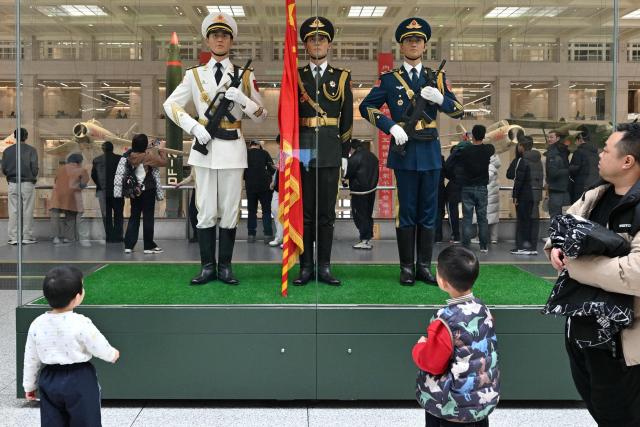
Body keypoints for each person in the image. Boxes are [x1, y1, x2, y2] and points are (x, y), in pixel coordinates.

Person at [164, 12, 267, 286]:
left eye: (224, 35)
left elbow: (261, 114)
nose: (219, 39)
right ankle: (208, 268)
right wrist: (193, 127)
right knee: (206, 210)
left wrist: (243, 99)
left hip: (233, 149)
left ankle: (226, 268)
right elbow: (170, 105)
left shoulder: (244, 76)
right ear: (208, 40)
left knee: (230, 211)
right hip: (205, 149)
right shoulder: (194, 75)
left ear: (231, 40)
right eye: (214, 35)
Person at [547, 123, 640, 426]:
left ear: (628, 161)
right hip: (582, 332)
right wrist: (555, 249)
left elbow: (634, 272)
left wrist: (573, 265)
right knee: (600, 410)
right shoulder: (595, 196)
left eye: (607, 149)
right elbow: (560, 231)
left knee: (621, 416)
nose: (599, 154)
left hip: (623, 342)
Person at [359, 17, 464, 285]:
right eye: (409, 40)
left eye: (418, 40)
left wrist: (440, 98)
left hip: (429, 151)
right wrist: (391, 127)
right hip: (404, 151)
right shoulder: (390, 80)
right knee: (406, 211)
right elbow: (366, 108)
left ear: (424, 45)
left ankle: (424, 267)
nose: (414, 44)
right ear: (401, 46)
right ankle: (406, 267)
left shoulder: (435, 77)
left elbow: (458, 110)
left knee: (429, 212)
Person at [293, 16, 353, 286]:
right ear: (305, 45)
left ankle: (325, 266)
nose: (317, 43)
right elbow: (287, 117)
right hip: (302, 151)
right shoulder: (296, 76)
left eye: (321, 39)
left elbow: (348, 117)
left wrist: (344, 153)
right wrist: (286, 158)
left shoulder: (341, 77)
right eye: (311, 39)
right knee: (304, 212)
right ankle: (306, 266)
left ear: (329, 44)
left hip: (330, 148)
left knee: (327, 213)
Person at [412, 245, 500, 426]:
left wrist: (420, 347)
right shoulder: (483, 309)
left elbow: (433, 364)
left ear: (443, 282)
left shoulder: (445, 320)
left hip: (450, 409)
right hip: (479, 405)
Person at [23, 266, 119, 426]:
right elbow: (97, 344)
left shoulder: (37, 324)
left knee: (52, 421)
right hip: (79, 378)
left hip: (49, 379)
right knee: (86, 420)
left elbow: (31, 358)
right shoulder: (81, 322)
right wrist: (112, 354)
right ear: (77, 297)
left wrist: (29, 385)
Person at [114, 134, 167, 254]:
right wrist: (161, 149)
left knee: (134, 216)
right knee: (148, 217)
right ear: (144, 146)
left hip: (134, 191)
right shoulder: (147, 157)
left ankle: (129, 245)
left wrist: (148, 145)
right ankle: (148, 246)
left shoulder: (129, 156)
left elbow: (137, 149)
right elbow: (164, 162)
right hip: (147, 190)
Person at [458, 125, 495, 252]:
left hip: (467, 187)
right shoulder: (488, 150)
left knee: (467, 218)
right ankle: (484, 246)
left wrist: (466, 141)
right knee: (482, 218)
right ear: (484, 136)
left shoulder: (466, 151)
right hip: (482, 188)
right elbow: (491, 146)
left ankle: (466, 246)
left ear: (472, 135)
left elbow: (461, 151)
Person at [1, 128, 38, 245]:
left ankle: (14, 237)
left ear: (15, 136)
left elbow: (4, 169)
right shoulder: (31, 150)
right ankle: (27, 236)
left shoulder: (7, 151)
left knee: (13, 211)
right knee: (28, 210)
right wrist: (31, 175)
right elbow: (34, 168)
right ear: (26, 137)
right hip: (27, 183)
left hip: (12, 183)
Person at [345, 139, 379, 250]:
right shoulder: (373, 157)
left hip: (359, 191)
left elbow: (347, 173)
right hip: (371, 190)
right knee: (368, 214)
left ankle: (364, 240)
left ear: (352, 148)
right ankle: (367, 238)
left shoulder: (355, 157)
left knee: (360, 215)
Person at [50, 153, 90, 245]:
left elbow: (55, 180)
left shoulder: (60, 169)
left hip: (57, 195)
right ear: (79, 161)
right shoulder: (81, 170)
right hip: (71, 196)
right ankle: (68, 238)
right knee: (70, 217)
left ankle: (55, 238)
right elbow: (84, 183)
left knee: (55, 217)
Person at [91, 141, 124, 243]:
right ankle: (118, 237)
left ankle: (109, 237)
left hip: (103, 192)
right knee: (118, 214)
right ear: (112, 148)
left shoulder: (97, 160)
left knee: (106, 215)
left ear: (103, 149)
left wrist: (100, 185)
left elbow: (94, 175)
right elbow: (124, 173)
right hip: (117, 192)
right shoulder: (119, 159)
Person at [506, 141, 535, 255]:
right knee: (529, 220)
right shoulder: (537, 159)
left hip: (523, 194)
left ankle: (522, 246)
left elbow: (516, 179)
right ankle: (530, 246)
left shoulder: (521, 161)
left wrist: (515, 196)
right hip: (533, 194)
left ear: (521, 147)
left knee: (522, 220)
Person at [244, 140, 275, 244]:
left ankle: (251, 235)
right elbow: (272, 169)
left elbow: (242, 170)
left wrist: (247, 177)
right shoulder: (264, 153)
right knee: (266, 211)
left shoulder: (245, 154)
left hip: (250, 186)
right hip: (264, 186)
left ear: (251, 145)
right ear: (258, 145)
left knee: (251, 211)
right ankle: (268, 235)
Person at [521, 136, 543, 254]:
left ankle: (529, 246)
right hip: (537, 192)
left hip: (527, 193)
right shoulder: (538, 159)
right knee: (535, 219)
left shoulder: (524, 160)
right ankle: (533, 245)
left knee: (527, 220)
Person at [545, 129, 571, 219]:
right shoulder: (564, 151)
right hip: (565, 190)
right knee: (565, 220)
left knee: (555, 219)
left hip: (556, 191)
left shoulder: (553, 152)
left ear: (558, 138)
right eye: (548, 137)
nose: (549, 139)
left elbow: (552, 173)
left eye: (551, 137)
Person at [569, 130, 600, 203]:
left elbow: (575, 168)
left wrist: (570, 173)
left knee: (579, 208)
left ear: (579, 140)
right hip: (594, 184)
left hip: (581, 184)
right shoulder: (595, 153)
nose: (575, 143)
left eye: (575, 141)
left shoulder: (578, 152)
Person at [174, 167, 198, 243]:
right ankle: (197, 235)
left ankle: (201, 236)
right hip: (197, 190)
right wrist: (180, 183)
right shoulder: (195, 164)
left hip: (206, 191)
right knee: (193, 213)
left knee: (202, 214)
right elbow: (191, 177)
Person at [487, 152, 501, 244]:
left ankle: (480, 236)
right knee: (494, 217)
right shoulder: (494, 166)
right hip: (494, 194)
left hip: (488, 194)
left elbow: (487, 178)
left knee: (484, 216)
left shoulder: (490, 166)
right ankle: (494, 238)